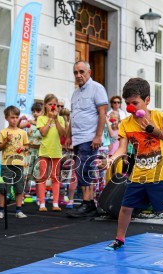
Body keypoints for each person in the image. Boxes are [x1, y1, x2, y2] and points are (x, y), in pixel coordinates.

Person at [104, 78, 163, 256]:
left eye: (135, 103)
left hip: (161, 173)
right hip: (139, 174)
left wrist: (154, 131)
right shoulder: (126, 124)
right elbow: (122, 148)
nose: (130, 108)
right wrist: (111, 158)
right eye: (127, 103)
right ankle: (119, 239)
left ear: (147, 100)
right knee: (126, 208)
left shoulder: (158, 116)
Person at [65, 61, 108, 217]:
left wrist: (98, 136)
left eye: (81, 72)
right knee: (80, 170)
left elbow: (102, 114)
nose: (78, 75)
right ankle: (88, 203)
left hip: (89, 138)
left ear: (89, 72)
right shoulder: (75, 93)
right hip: (77, 137)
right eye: (75, 72)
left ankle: (87, 203)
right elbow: (73, 116)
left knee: (85, 169)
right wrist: (69, 135)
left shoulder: (97, 88)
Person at [0, 105, 29, 218]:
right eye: (12, 117)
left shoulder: (22, 132)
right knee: (4, 187)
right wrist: (6, 141)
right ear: (7, 118)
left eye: (16, 117)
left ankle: (18, 210)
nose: (14, 120)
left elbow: (26, 146)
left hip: (19, 163)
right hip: (7, 164)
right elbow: (0, 147)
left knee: (19, 187)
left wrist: (24, 148)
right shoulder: (3, 132)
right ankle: (1, 210)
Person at [36, 94, 66, 211]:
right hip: (44, 151)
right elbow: (43, 133)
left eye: (54, 105)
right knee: (42, 177)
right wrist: (49, 119)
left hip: (56, 151)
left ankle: (55, 203)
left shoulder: (61, 119)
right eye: (50, 104)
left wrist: (56, 119)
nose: (52, 107)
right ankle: (42, 203)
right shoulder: (41, 118)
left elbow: (62, 133)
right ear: (45, 105)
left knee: (55, 177)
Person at [24, 102, 43, 194]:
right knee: (26, 174)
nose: (35, 113)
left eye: (38, 111)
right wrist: (20, 119)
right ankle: (22, 195)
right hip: (29, 151)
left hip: (40, 151)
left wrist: (35, 123)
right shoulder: (29, 122)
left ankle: (39, 198)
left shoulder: (44, 124)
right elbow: (19, 126)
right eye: (34, 111)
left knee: (38, 175)